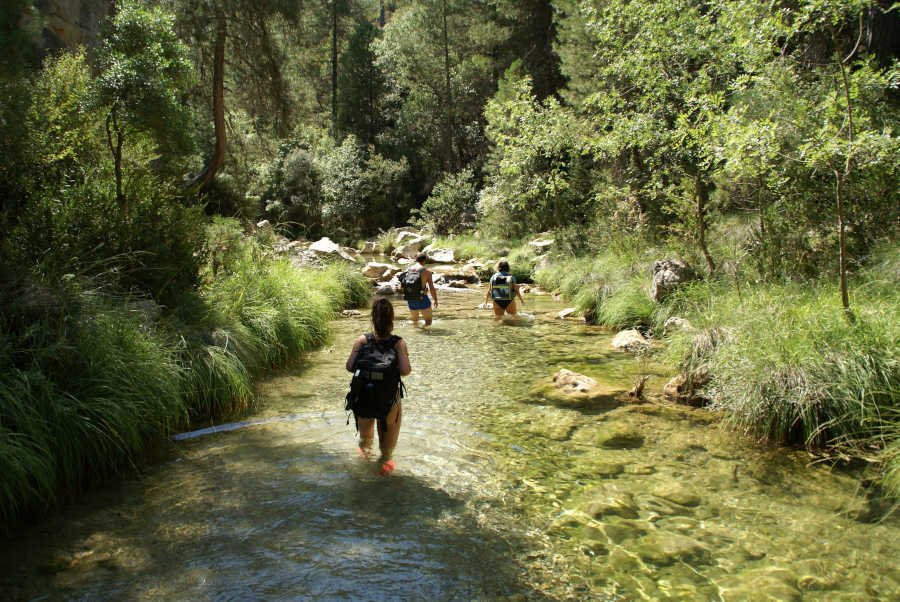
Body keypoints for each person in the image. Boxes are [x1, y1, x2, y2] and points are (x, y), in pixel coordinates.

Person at [345, 298, 411, 476]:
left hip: (364, 397)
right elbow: (405, 371)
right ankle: (384, 479)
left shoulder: (361, 341)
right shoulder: (398, 343)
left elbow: (350, 366)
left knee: (365, 441)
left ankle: (363, 472)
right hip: (389, 400)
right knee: (386, 450)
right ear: (392, 319)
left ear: (372, 318)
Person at [400, 252, 439, 327]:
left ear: (416, 260)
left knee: (415, 321)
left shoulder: (408, 270)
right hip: (422, 298)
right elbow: (431, 288)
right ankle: (424, 334)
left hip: (410, 298)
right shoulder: (427, 272)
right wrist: (435, 299)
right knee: (428, 322)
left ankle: (415, 334)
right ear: (424, 261)